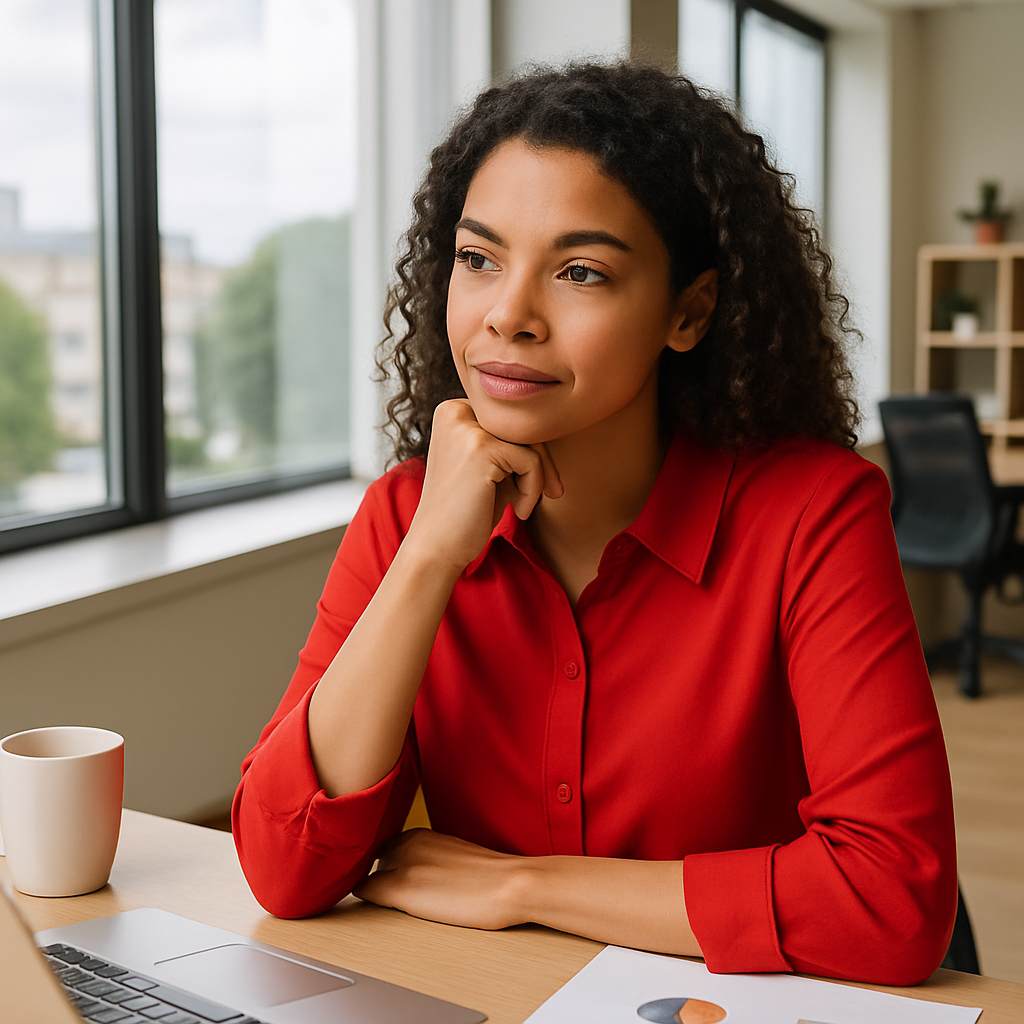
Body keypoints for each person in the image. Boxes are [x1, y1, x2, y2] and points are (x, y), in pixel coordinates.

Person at [231, 57, 957, 987]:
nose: (508, 316)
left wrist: (525, 886)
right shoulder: (408, 515)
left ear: (688, 312)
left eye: (580, 272)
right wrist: (428, 558)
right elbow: (283, 869)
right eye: (478, 259)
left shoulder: (814, 513)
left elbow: (892, 899)